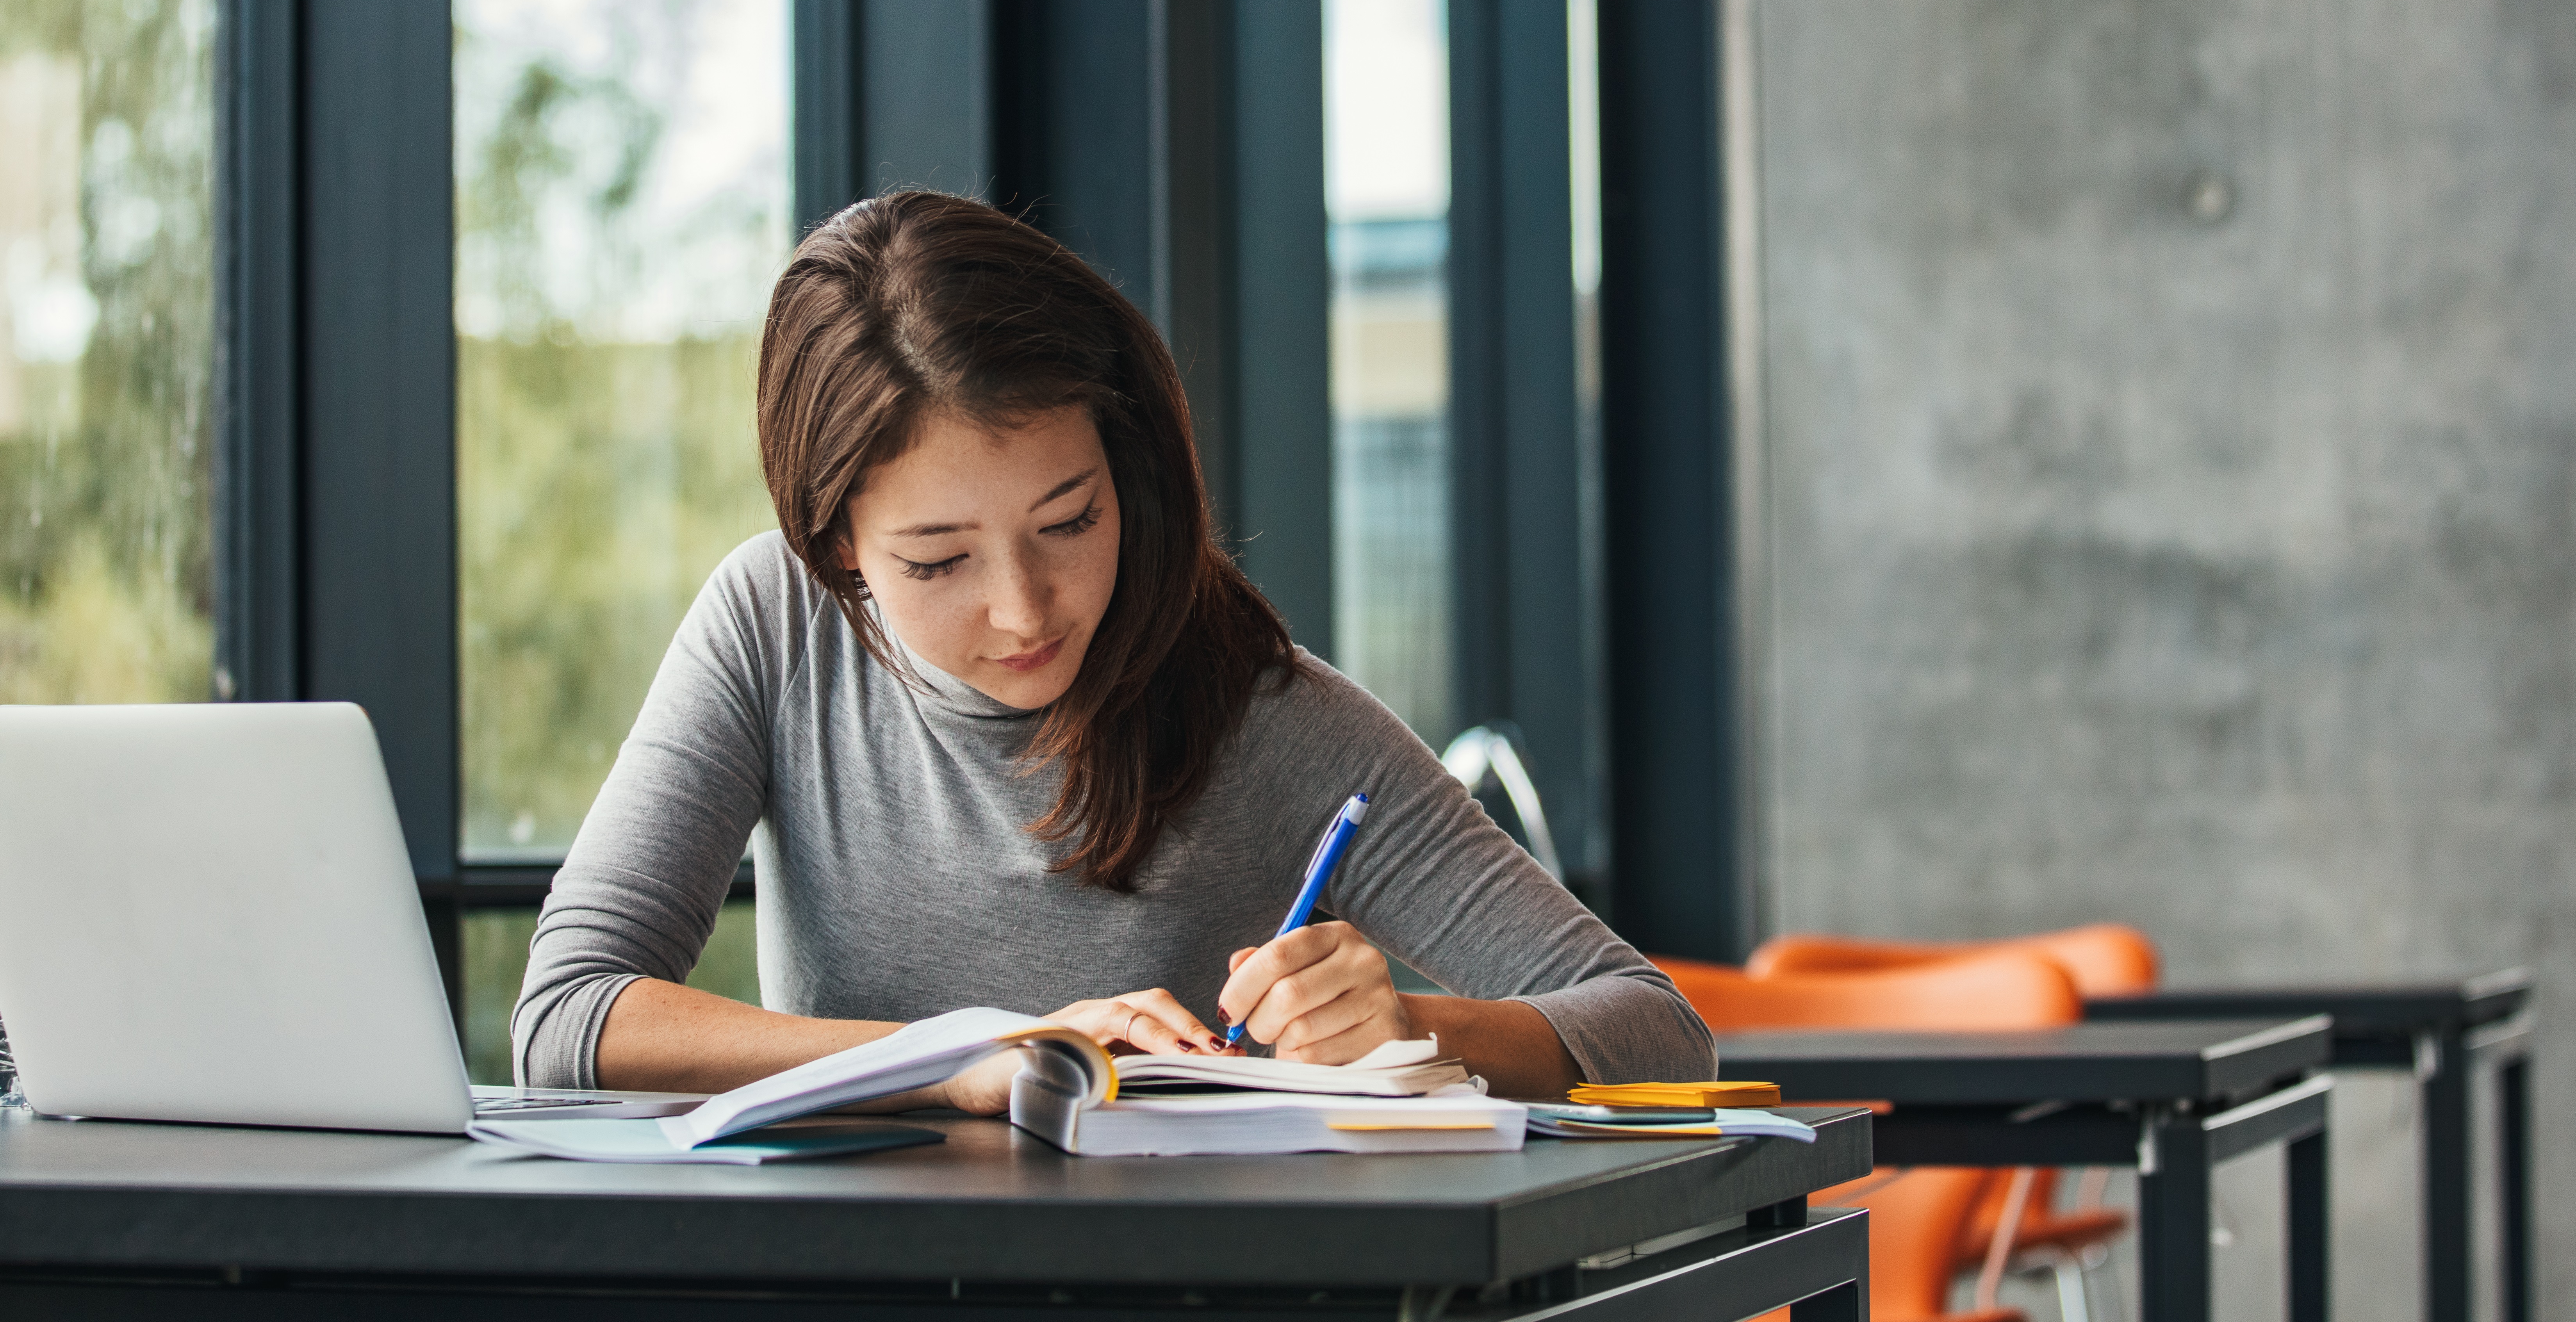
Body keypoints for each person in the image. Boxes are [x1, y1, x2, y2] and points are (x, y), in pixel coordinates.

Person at [512, 189, 1711, 1110]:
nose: (1026, 611)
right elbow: (570, 1017)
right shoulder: (775, 627)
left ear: (1129, 474)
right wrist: (976, 1054)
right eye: (939, 563)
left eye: (1071, 522)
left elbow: (1659, 1031)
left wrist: (1413, 1027)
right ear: (837, 550)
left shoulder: (1262, 712)